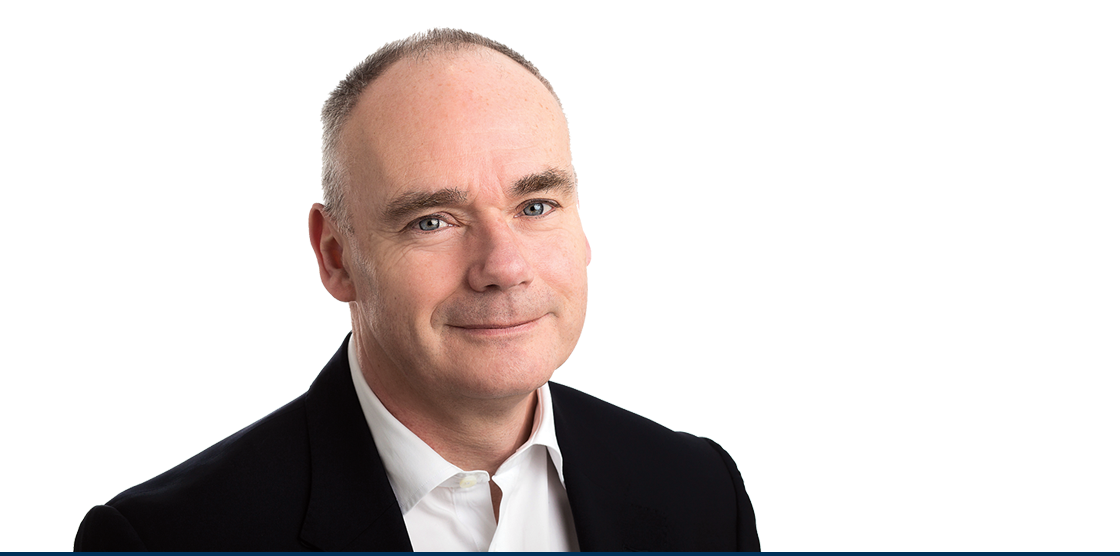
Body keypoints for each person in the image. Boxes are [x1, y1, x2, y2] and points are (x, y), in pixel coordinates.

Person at [74, 27, 760, 551]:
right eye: (432, 220)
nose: (503, 266)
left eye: (535, 206)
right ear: (335, 256)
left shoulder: (700, 491)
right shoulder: (168, 540)